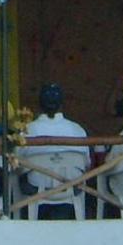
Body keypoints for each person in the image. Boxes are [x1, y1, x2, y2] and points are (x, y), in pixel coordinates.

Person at [19, 82, 89, 214]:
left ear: (39, 104)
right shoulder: (77, 130)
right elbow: (86, 165)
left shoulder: (28, 130)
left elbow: (16, 162)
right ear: (62, 104)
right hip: (71, 186)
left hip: (36, 186)